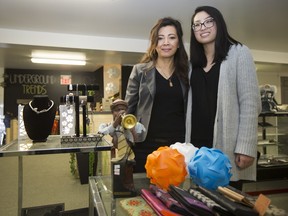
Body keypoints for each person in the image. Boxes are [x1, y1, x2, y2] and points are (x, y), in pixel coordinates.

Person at [185, 6, 261, 189]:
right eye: (196, 24)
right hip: (196, 149)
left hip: (225, 147)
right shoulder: (191, 64)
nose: (202, 27)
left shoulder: (238, 53)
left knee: (227, 204)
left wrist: (246, 147)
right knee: (199, 204)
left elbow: (250, 103)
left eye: (208, 21)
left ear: (218, 23)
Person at [125, 17, 189, 173]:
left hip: (178, 147)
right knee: (146, 194)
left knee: (175, 194)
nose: (166, 42)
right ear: (154, 43)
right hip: (145, 146)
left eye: (171, 37)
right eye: (160, 38)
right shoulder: (140, 71)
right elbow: (128, 110)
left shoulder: (187, 73)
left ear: (179, 43)